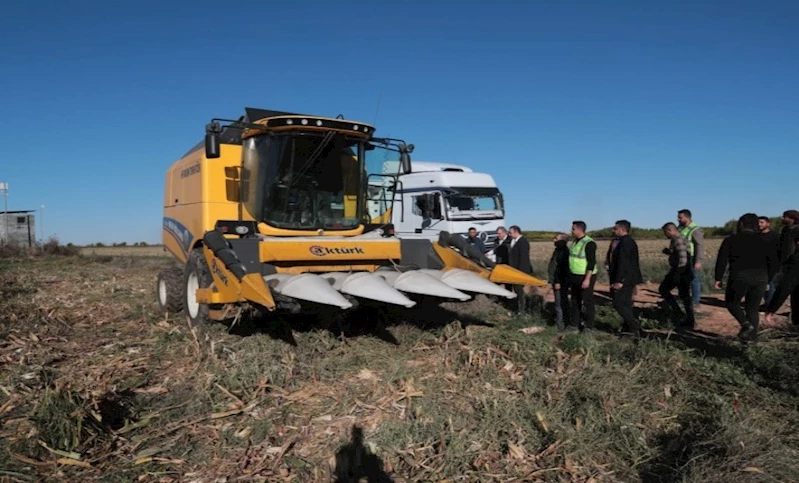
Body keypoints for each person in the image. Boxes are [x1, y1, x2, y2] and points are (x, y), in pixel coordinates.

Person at [714, 213, 779, 342]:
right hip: (760, 278)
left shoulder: (731, 239)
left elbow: (722, 260)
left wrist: (718, 278)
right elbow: (774, 262)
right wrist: (768, 279)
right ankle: (751, 339)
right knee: (753, 309)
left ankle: (745, 325)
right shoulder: (765, 240)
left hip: (739, 276)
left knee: (732, 303)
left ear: (741, 224)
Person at [608, 220, 644, 338]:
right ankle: (629, 329)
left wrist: (620, 281)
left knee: (618, 303)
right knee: (626, 303)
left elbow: (624, 263)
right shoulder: (625, 241)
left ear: (622, 229)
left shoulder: (625, 243)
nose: (614, 230)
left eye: (615, 228)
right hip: (629, 278)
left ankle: (634, 327)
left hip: (625, 279)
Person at [765, 210, 799, 326]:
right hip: (786, 264)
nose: (782, 218)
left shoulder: (797, 230)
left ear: (792, 218)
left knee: (789, 288)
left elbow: (784, 288)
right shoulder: (785, 231)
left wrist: (771, 310)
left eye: (785, 216)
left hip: (793, 265)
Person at [659, 222, 695, 329]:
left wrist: (678, 273)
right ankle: (687, 318)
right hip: (683, 271)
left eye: (665, 232)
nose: (665, 235)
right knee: (684, 296)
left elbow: (683, 258)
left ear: (670, 230)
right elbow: (678, 253)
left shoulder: (677, 239)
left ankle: (683, 315)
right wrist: (669, 252)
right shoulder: (678, 239)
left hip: (681, 271)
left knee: (664, 289)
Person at [567, 221, 597, 333]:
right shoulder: (575, 242)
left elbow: (591, 263)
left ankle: (588, 327)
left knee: (587, 301)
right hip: (574, 275)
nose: (571, 230)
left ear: (579, 229)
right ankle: (574, 325)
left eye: (573, 229)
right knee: (575, 300)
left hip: (585, 276)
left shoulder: (589, 243)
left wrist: (587, 279)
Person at [677, 209, 705, 309]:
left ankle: (695, 301)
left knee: (694, 279)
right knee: (683, 279)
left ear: (687, 218)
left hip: (692, 257)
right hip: (683, 257)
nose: (678, 219)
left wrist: (698, 261)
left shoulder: (695, 229)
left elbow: (700, 246)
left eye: (680, 217)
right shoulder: (680, 228)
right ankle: (685, 299)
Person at [547, 232, 571, 330]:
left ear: (562, 240)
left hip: (560, 282)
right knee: (561, 302)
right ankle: (562, 322)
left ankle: (560, 325)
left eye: (556, 238)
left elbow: (560, 269)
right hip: (559, 281)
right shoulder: (558, 250)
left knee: (559, 303)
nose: (554, 240)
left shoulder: (563, 252)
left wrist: (557, 281)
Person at [508, 225, 533, 314]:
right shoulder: (515, 241)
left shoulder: (523, 242)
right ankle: (519, 309)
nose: (509, 234)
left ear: (516, 232)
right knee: (517, 290)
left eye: (510, 233)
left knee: (519, 291)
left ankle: (522, 310)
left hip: (520, 271)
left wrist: (519, 273)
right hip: (515, 271)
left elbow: (523, 259)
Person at [758, 216, 780, 306]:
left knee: (770, 283)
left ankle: (770, 305)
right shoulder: (756, 236)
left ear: (768, 224)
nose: (759, 224)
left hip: (772, 263)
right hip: (759, 264)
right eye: (758, 223)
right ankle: (767, 303)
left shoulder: (775, 236)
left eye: (762, 222)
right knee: (763, 284)